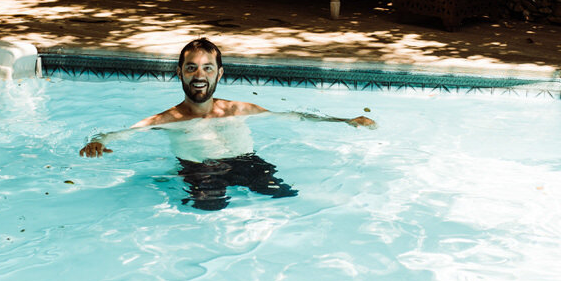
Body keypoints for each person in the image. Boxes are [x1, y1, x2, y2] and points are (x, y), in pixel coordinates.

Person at [78, 37, 376, 210]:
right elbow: (120, 134)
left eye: (207, 68)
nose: (199, 75)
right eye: (191, 68)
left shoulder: (239, 109)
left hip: (248, 162)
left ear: (219, 74)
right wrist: (99, 142)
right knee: (208, 208)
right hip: (201, 169)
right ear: (179, 73)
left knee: (286, 199)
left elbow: (294, 116)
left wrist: (345, 120)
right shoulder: (167, 119)